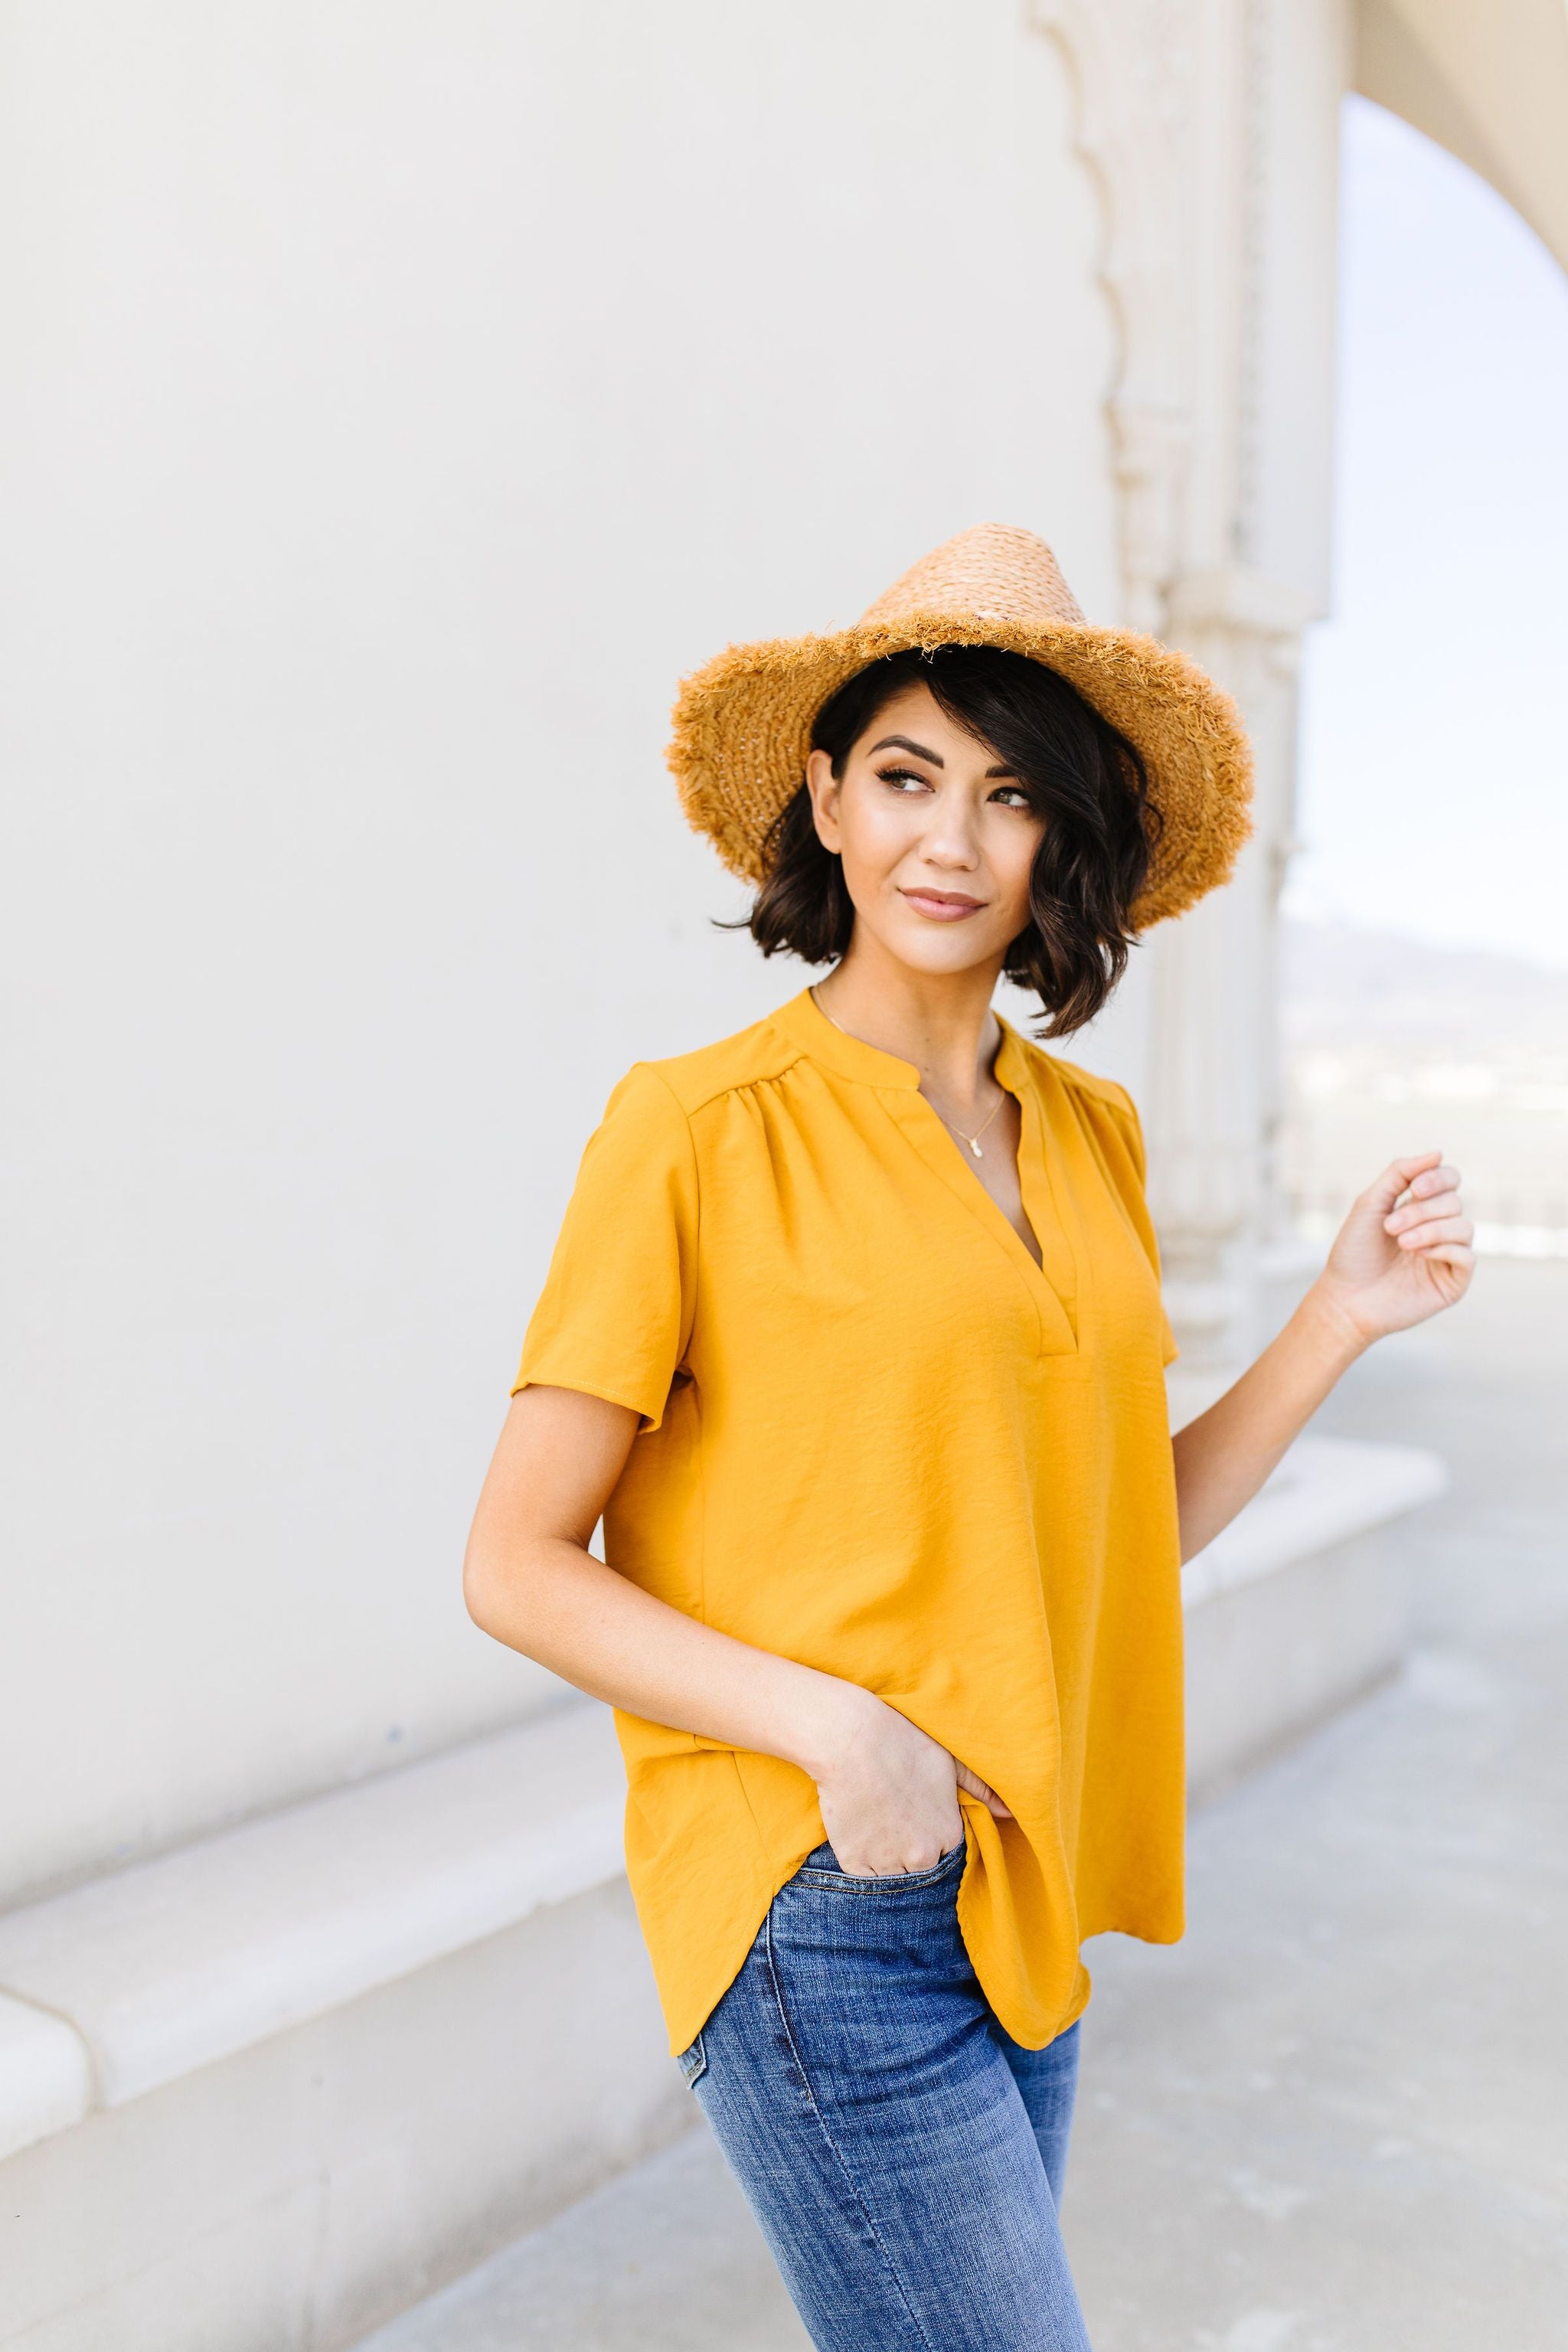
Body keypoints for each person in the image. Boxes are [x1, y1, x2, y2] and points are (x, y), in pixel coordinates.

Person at [463, 525, 1473, 2350]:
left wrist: (1336, 1318)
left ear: (1057, 842)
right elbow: (515, 1564)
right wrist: (839, 1734)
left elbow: (1102, 1531)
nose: (951, 840)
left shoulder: (1088, 1136)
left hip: (1025, 1890)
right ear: (827, 800)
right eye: (909, 776)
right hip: (819, 1895)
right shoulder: (695, 1131)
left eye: (1008, 796)